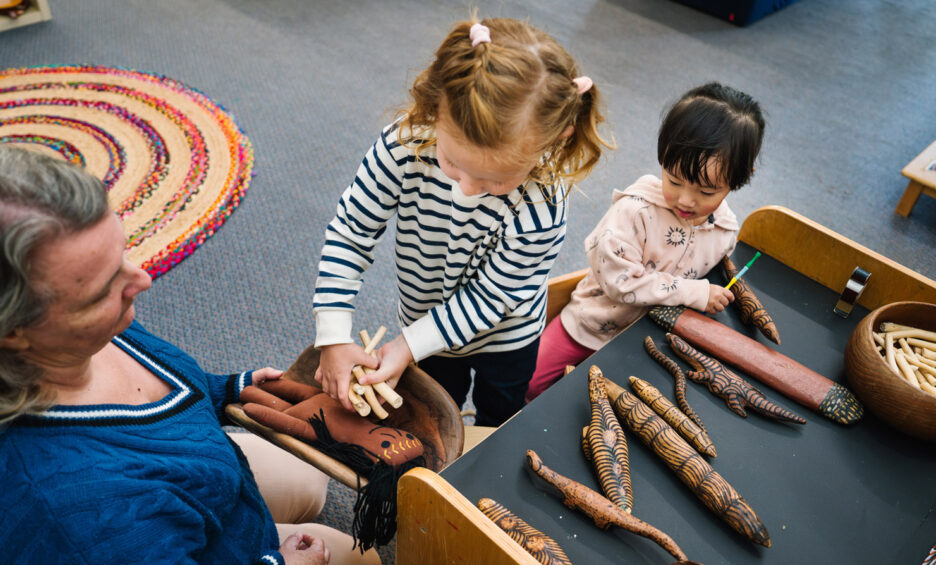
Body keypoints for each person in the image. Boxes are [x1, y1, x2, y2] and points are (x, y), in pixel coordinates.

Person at [0, 143, 382, 565]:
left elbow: (165, 392)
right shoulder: (76, 523)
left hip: (152, 526)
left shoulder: (52, 334)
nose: (142, 280)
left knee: (306, 476)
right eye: (101, 289)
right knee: (359, 564)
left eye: (122, 253)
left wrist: (231, 389)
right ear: (9, 335)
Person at [311, 16, 612, 427]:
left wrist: (407, 346)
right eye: (453, 163)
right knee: (432, 419)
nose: (467, 190)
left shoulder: (543, 202)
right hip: (424, 327)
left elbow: (490, 298)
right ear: (435, 109)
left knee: (500, 420)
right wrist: (333, 334)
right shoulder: (404, 146)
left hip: (508, 337)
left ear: (556, 138)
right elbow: (351, 232)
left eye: (496, 179)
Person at [526, 82, 766, 400]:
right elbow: (620, 283)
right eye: (674, 179)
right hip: (589, 325)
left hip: (648, 344)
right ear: (663, 155)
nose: (686, 199)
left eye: (706, 192)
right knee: (530, 385)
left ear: (739, 178)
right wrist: (693, 293)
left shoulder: (724, 228)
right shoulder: (634, 212)